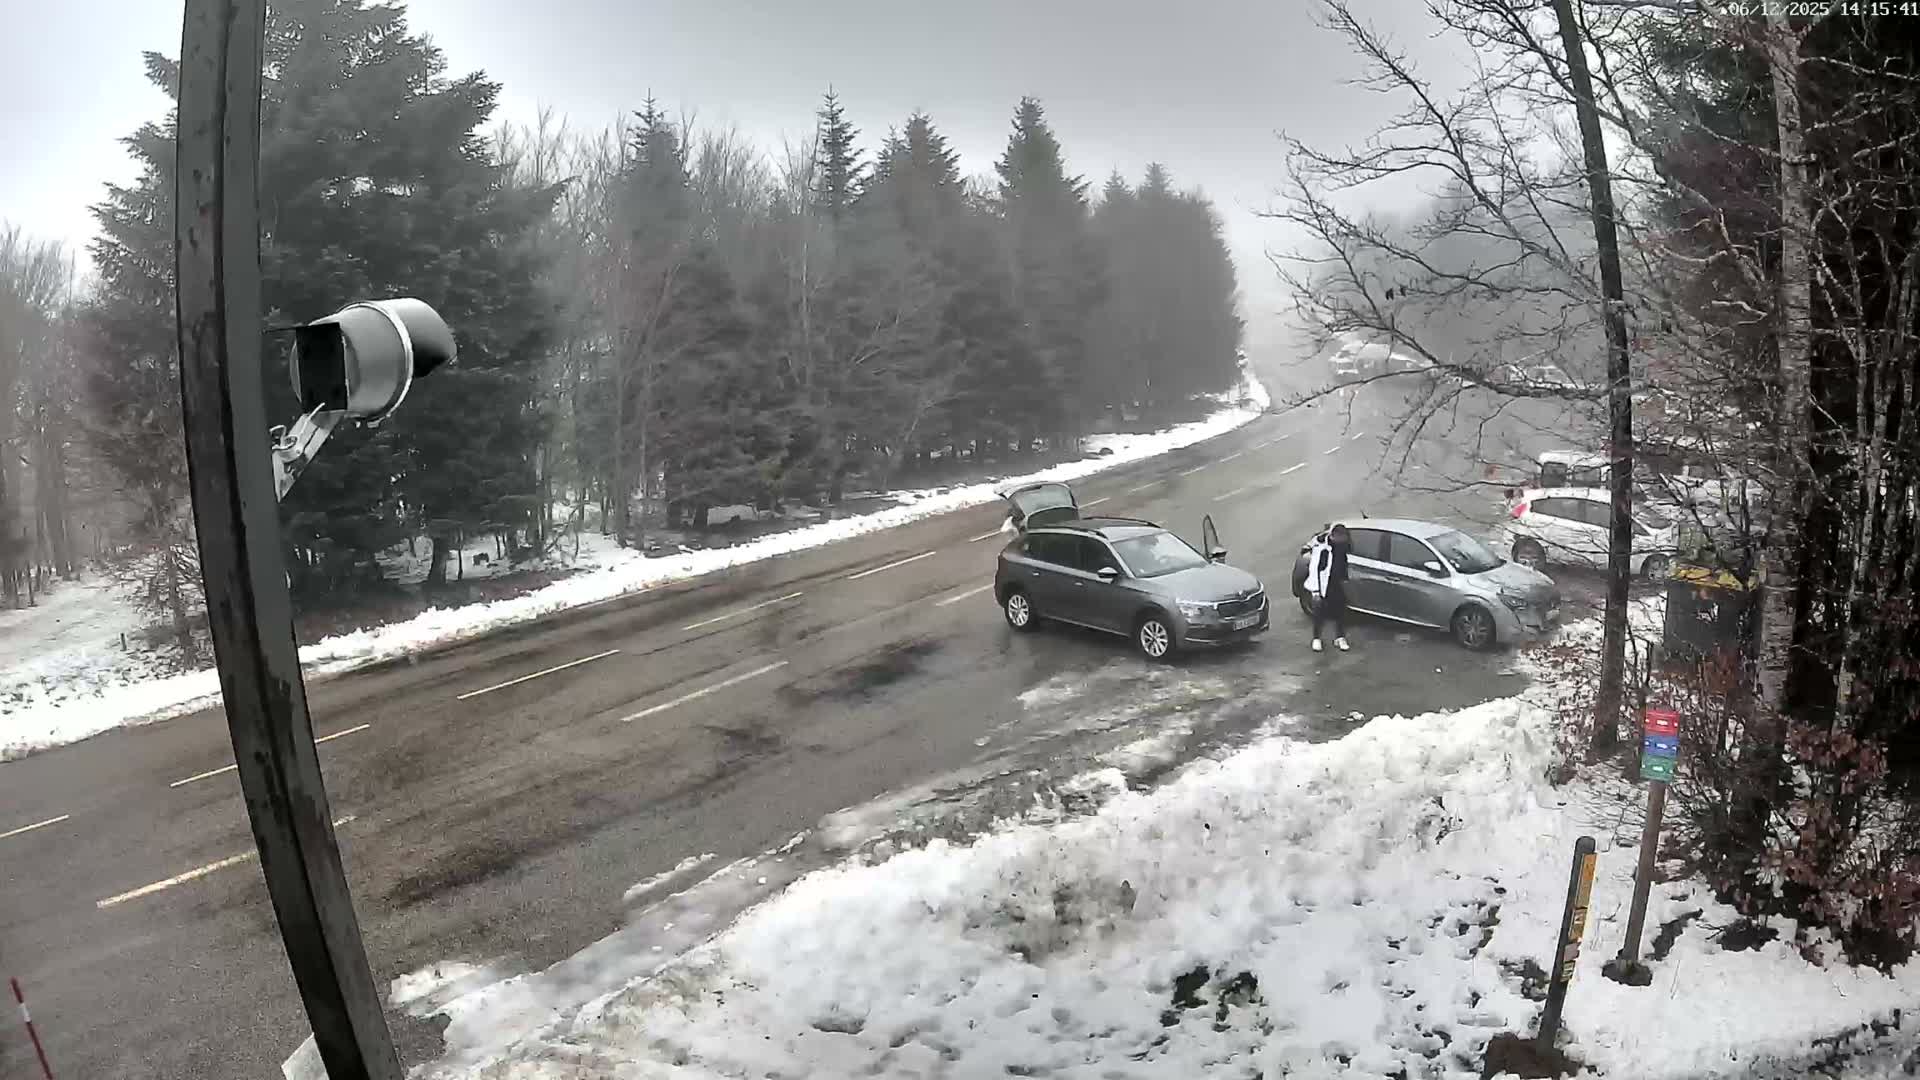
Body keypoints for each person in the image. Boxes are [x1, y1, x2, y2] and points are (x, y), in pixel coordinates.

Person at [1305, 523, 1351, 652]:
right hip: (1323, 586)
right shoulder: (1322, 549)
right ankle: (1316, 638)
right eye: (1341, 538)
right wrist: (1316, 591)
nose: (1343, 540)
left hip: (1337, 584)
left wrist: (1344, 580)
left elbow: (1343, 563)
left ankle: (1340, 637)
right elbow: (1314, 569)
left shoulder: (1343, 546)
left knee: (1340, 612)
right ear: (1334, 536)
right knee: (1319, 612)